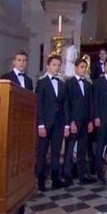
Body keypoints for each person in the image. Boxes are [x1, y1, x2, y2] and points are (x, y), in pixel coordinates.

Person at [35, 55, 67, 191]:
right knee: (42, 152)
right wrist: (40, 124)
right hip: (45, 124)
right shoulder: (41, 83)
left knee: (56, 152)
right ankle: (41, 181)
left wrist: (66, 125)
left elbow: (65, 105)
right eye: (54, 64)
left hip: (59, 124)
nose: (57, 67)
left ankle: (55, 179)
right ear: (48, 66)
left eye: (59, 65)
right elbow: (39, 104)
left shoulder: (62, 84)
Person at [64, 59, 97, 185]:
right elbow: (67, 104)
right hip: (74, 121)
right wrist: (70, 122)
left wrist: (90, 121)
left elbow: (91, 104)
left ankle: (83, 175)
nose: (84, 69)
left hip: (85, 121)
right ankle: (67, 177)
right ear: (76, 68)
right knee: (69, 150)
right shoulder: (69, 83)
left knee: (82, 151)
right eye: (82, 67)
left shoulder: (88, 85)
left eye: (85, 67)